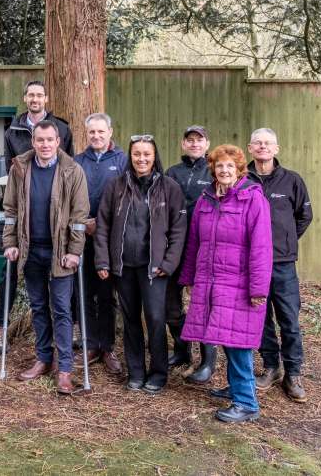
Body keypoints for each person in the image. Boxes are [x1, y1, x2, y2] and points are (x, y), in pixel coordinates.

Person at [179, 144, 273, 422]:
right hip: (211, 282)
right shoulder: (205, 201)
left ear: (239, 169)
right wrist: (189, 277)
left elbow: (261, 248)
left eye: (230, 166)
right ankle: (236, 388)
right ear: (213, 169)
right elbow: (194, 243)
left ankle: (247, 403)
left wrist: (258, 289)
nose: (224, 170)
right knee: (224, 336)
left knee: (238, 342)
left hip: (239, 285)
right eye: (220, 166)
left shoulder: (252, 199)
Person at [2, 120, 90, 394]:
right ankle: (43, 358)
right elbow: (10, 209)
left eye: (49, 140)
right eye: (40, 140)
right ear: (33, 142)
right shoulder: (20, 168)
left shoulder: (72, 171)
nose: (45, 145)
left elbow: (79, 218)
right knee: (39, 307)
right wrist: (10, 242)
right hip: (31, 251)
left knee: (62, 310)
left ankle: (64, 369)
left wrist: (74, 251)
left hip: (60, 252)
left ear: (58, 141)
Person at [94, 134, 186, 394]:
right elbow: (103, 225)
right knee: (131, 319)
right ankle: (135, 371)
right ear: (130, 157)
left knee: (156, 319)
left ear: (154, 156)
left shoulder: (169, 188)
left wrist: (168, 263)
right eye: (137, 154)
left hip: (154, 268)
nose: (141, 159)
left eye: (146, 154)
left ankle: (158, 372)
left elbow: (179, 231)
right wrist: (103, 259)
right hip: (124, 267)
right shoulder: (116, 187)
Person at [0, 80, 74, 351]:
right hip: (22, 212)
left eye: (39, 94)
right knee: (10, 269)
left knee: (62, 280)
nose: (35, 99)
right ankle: (0, 325)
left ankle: (70, 328)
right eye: (31, 95)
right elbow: (9, 166)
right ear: (25, 97)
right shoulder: (13, 129)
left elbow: (69, 169)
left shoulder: (61, 127)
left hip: (54, 217)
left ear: (46, 98)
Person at [247, 128, 313, 403]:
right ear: (250, 148)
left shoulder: (292, 181)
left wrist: (284, 241)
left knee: (289, 319)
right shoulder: (243, 180)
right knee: (260, 318)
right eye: (258, 143)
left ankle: (293, 373)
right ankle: (271, 367)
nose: (263, 147)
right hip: (252, 264)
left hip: (283, 264)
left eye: (268, 143)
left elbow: (304, 216)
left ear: (277, 149)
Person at [73, 113, 128, 377]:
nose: (96, 136)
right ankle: (90, 343)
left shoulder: (122, 161)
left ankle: (107, 346)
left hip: (109, 240)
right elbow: (69, 199)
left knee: (106, 296)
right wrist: (84, 223)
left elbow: (127, 200)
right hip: (81, 238)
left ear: (110, 132)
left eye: (101, 132)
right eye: (92, 132)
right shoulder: (77, 162)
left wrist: (103, 225)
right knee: (83, 294)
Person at [164, 125, 215, 382]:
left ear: (207, 144)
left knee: (202, 304)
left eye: (199, 140)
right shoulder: (172, 172)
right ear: (183, 144)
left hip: (203, 248)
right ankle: (182, 350)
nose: (194, 144)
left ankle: (207, 361)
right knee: (170, 305)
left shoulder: (214, 171)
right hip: (174, 247)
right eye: (190, 140)